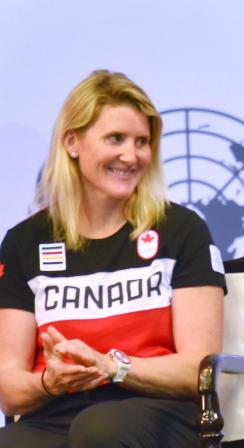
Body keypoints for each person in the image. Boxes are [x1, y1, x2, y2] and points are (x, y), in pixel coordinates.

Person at [0, 70, 226, 447]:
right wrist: (46, 382)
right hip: (57, 413)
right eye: (115, 139)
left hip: (159, 411)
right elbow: (10, 388)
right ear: (72, 142)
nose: (131, 155)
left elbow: (197, 370)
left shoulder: (182, 230)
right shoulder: (26, 242)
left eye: (142, 141)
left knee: (101, 428)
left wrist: (114, 366)